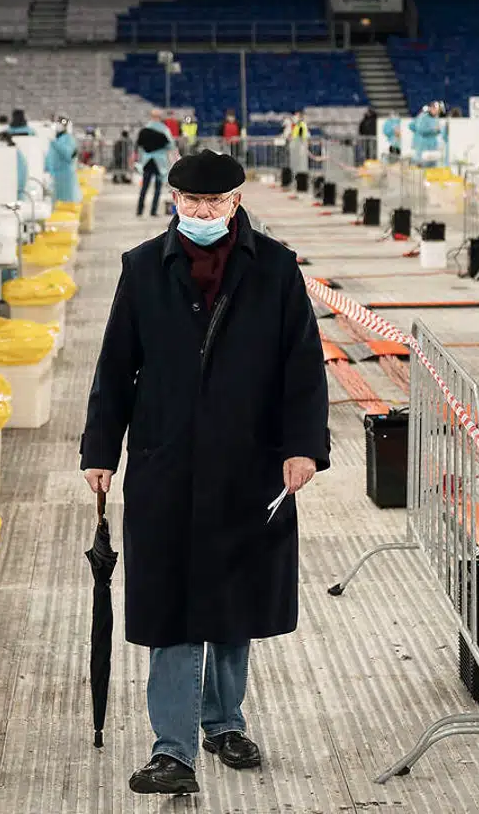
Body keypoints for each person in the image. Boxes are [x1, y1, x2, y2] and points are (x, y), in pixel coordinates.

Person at [81, 149, 330, 797]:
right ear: (173, 200)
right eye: (191, 203)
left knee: (231, 604)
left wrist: (303, 446)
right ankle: (174, 750)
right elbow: (115, 367)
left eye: (214, 204)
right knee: (173, 610)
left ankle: (224, 722)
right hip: (167, 463)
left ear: (238, 202)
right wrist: (100, 450)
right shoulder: (142, 268)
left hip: (248, 465)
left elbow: (302, 365)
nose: (202, 213)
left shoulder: (274, 268)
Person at [137, 110, 174, 217]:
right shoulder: (164, 130)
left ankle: (139, 210)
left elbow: (140, 144)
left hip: (147, 161)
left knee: (144, 187)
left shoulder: (144, 130)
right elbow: (170, 145)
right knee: (157, 188)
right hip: (160, 162)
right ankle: (153, 211)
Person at [46, 117, 82, 203]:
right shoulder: (56, 139)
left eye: (60, 124)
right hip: (55, 175)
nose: (58, 126)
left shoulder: (68, 139)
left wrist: (55, 143)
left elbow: (68, 155)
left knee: (66, 202)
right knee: (57, 204)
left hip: (65, 175)